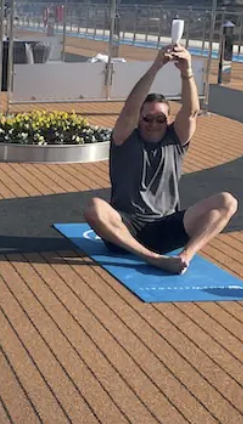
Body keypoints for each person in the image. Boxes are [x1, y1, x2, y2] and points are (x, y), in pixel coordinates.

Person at [84, 45, 237, 274]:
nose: (153, 124)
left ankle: (185, 256)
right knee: (93, 207)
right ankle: (152, 258)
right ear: (139, 118)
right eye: (147, 118)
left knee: (228, 202)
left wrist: (186, 71)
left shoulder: (176, 139)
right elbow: (129, 109)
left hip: (166, 226)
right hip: (127, 228)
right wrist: (157, 65)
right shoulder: (125, 138)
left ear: (168, 120)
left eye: (160, 119)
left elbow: (191, 111)